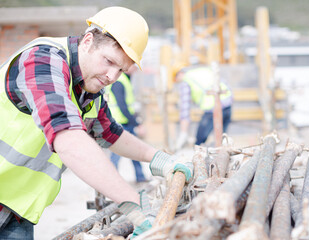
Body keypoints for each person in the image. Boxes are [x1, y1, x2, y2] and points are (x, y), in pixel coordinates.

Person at [0, 6, 193, 240]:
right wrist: (133, 205)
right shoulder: (42, 60)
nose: (112, 76)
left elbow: (111, 134)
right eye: (109, 61)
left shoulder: (88, 90)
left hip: (16, 210)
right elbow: (67, 138)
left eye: (121, 69)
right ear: (88, 41)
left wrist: (160, 160)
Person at [174, 65, 233, 150]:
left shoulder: (186, 81)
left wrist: (183, 133)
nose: (177, 82)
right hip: (227, 104)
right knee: (221, 140)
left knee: (199, 143)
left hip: (212, 108)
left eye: (176, 79)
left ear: (179, 74)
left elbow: (185, 109)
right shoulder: (203, 70)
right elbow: (224, 83)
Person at [106, 64, 147, 182]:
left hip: (125, 122)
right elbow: (122, 106)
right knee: (116, 153)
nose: (136, 70)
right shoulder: (119, 81)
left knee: (135, 151)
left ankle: (140, 176)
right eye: (134, 66)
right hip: (119, 122)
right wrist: (136, 123)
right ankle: (112, 180)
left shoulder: (125, 80)